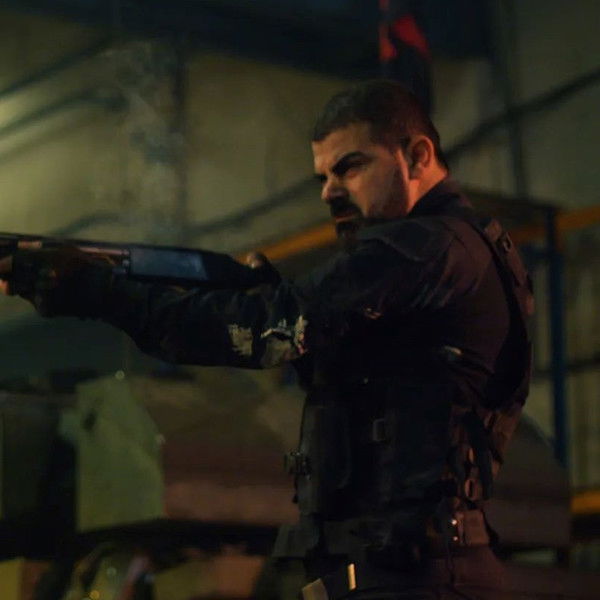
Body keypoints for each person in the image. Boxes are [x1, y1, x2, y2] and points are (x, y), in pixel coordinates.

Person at [0, 81, 533, 599]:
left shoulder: (424, 246)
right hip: (408, 571)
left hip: (417, 577)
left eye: (351, 167)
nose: (329, 192)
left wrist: (96, 292)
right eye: (323, 175)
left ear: (417, 156)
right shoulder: (449, 251)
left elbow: (265, 331)